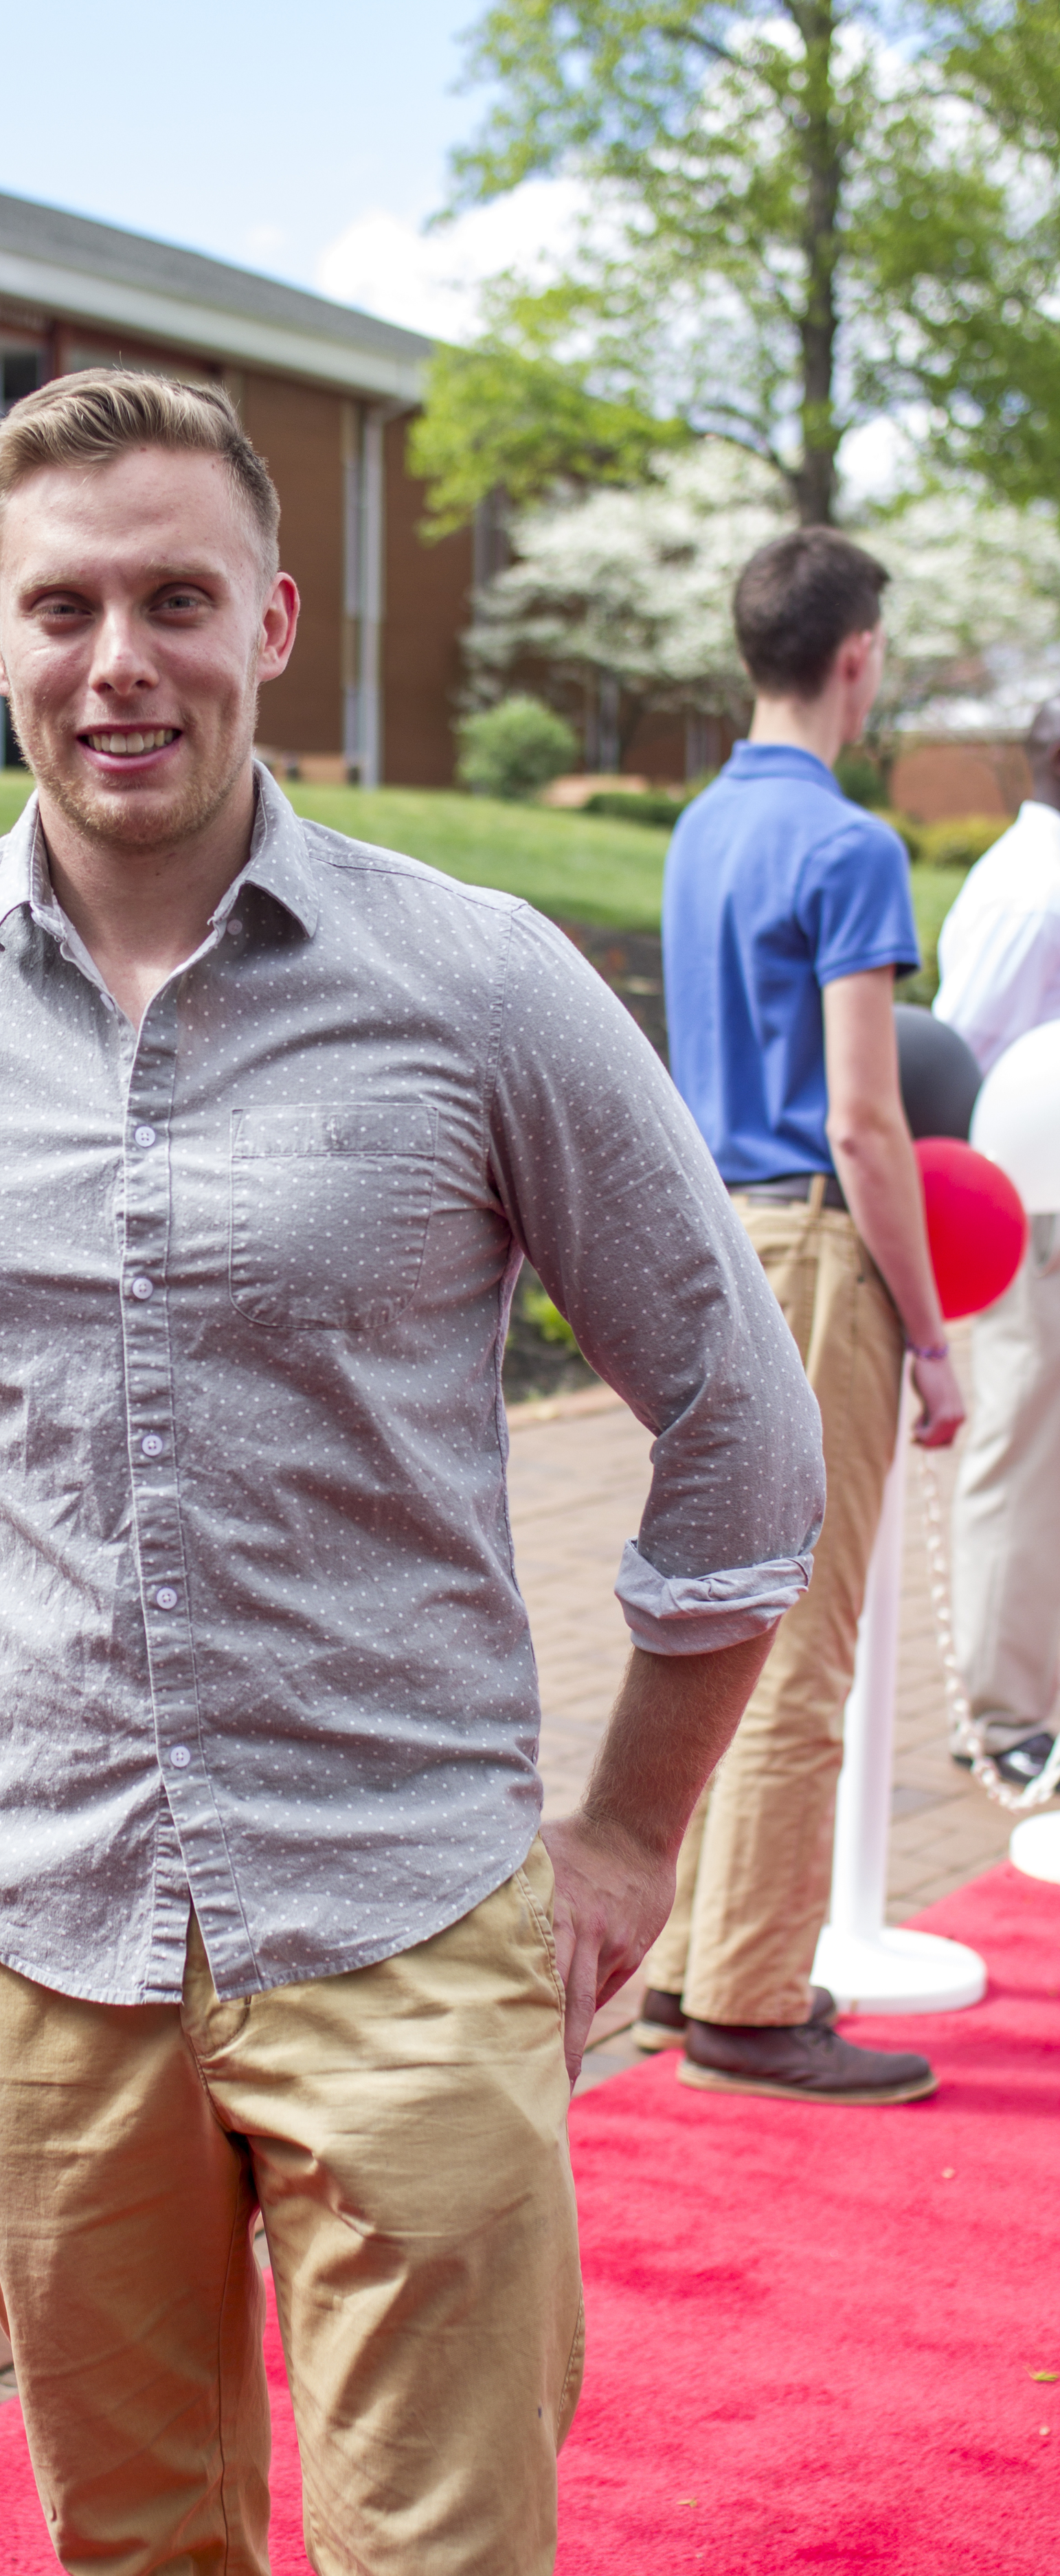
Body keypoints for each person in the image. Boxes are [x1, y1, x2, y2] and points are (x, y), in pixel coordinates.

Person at [0, 371, 824, 2576]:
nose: (121, 659)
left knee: (443, 2552)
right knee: (131, 2542)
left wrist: (620, 1834)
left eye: (174, 598)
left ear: (273, 621)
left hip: (400, 1909)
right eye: (65, 606)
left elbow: (736, 1415)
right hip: (29, 1936)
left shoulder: (478, 983)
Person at [642, 527, 966, 2105]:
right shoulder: (852, 849)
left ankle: (700, 1952)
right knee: (806, 1642)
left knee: (719, 1609)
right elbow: (864, 1116)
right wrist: (935, 1330)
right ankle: (755, 2001)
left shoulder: (700, 830)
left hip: (711, 1248)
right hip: (819, 1254)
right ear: (856, 658)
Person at [932, 695, 1060, 1788]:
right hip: (1040, 1206)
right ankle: (1004, 1714)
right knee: (1021, 1449)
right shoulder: (1033, 893)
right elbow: (958, 1059)